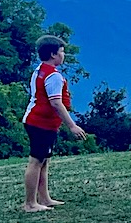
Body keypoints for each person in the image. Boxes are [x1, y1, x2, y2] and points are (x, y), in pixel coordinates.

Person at [21, 35, 87, 212]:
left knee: (44, 160)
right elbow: (56, 102)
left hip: (36, 121)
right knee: (36, 161)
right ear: (52, 54)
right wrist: (72, 125)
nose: (63, 55)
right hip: (41, 123)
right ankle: (30, 203)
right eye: (61, 51)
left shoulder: (39, 71)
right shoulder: (53, 76)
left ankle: (44, 198)